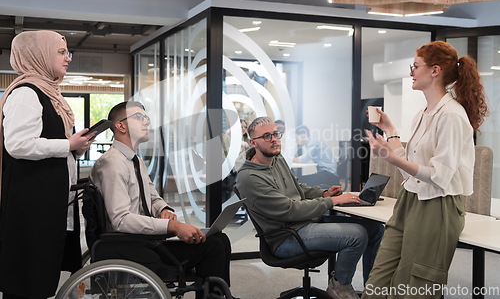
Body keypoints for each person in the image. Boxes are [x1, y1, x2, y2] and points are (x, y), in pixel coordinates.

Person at [362, 41, 489, 299]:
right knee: (378, 280)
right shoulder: (423, 113)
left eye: (415, 66)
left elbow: (438, 176)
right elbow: (412, 170)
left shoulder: (452, 115)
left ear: (435, 70)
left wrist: (391, 158)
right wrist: (391, 132)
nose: (411, 71)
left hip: (437, 208)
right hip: (409, 201)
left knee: (414, 287)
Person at [90, 101, 233, 299]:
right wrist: (172, 227)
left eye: (146, 117)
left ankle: (221, 295)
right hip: (128, 246)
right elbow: (121, 220)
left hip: (144, 240)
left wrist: (162, 209)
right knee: (213, 247)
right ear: (120, 126)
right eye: (139, 117)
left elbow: (152, 196)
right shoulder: (112, 163)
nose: (146, 122)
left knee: (219, 239)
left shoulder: (134, 160)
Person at [235, 116, 385, 299]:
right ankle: (340, 286)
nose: (274, 139)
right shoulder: (249, 177)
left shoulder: (276, 158)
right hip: (287, 236)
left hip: (305, 223)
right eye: (267, 136)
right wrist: (333, 202)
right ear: (253, 142)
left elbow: (297, 187)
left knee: (375, 228)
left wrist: (323, 194)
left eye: (276, 133)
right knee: (357, 235)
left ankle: (373, 290)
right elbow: (290, 210)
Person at [0, 31, 95, 299]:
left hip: (47, 201)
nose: (68, 59)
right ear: (38, 54)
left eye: (68, 53)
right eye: (61, 52)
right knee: (28, 281)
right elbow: (18, 144)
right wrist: (68, 145)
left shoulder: (48, 91)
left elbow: (46, 145)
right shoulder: (26, 93)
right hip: (32, 204)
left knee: (42, 276)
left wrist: (75, 149)